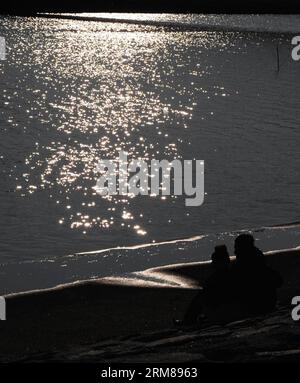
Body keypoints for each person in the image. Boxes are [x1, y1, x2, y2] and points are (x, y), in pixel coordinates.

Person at [230, 234, 283, 316]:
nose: (235, 251)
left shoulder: (242, 266)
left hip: (253, 306)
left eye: (236, 247)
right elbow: (278, 281)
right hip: (268, 302)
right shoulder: (259, 262)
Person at [182, 245, 231, 325]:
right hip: (226, 306)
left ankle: (189, 320)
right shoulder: (229, 274)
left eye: (214, 261)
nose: (212, 264)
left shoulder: (217, 278)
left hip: (224, 309)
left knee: (200, 297)